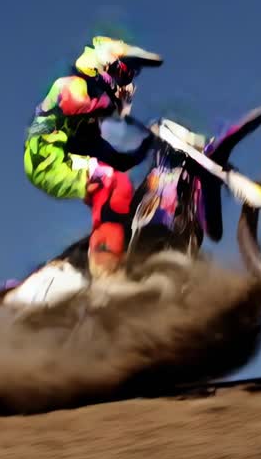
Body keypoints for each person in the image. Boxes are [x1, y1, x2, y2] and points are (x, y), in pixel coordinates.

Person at [24, 36, 164, 279]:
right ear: (105, 65)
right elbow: (73, 103)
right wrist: (115, 105)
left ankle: (107, 249)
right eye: (124, 73)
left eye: (130, 76)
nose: (127, 82)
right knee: (112, 182)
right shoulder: (72, 84)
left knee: (119, 187)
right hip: (46, 158)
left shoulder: (88, 125)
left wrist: (149, 145)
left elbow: (116, 159)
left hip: (59, 158)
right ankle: (105, 270)